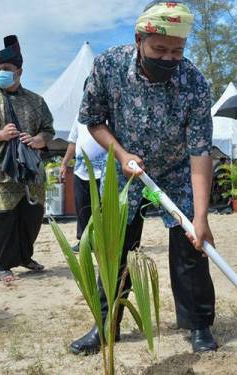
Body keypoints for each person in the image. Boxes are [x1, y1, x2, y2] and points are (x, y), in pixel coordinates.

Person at [70, 1, 218, 355]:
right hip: (127, 169)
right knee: (116, 248)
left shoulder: (194, 83)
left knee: (190, 248)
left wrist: (200, 217)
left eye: (176, 51)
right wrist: (121, 155)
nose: (168, 58)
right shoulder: (108, 66)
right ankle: (107, 324)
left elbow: (200, 152)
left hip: (178, 170)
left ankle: (199, 324)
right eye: (159, 49)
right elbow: (94, 120)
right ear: (139, 39)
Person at [0, 35, 55, 284]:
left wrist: (38, 140)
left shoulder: (36, 101)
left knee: (31, 217)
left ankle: (25, 257)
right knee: (2, 220)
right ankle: (3, 266)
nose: (1, 73)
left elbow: (49, 129)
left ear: (19, 71)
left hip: (31, 170)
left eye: (6, 69)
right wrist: (0, 134)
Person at [59, 119, 106, 252]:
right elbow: (73, 142)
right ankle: (84, 241)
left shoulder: (108, 115)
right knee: (82, 207)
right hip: (81, 170)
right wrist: (64, 163)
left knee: (103, 208)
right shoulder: (79, 118)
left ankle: (104, 241)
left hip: (104, 171)